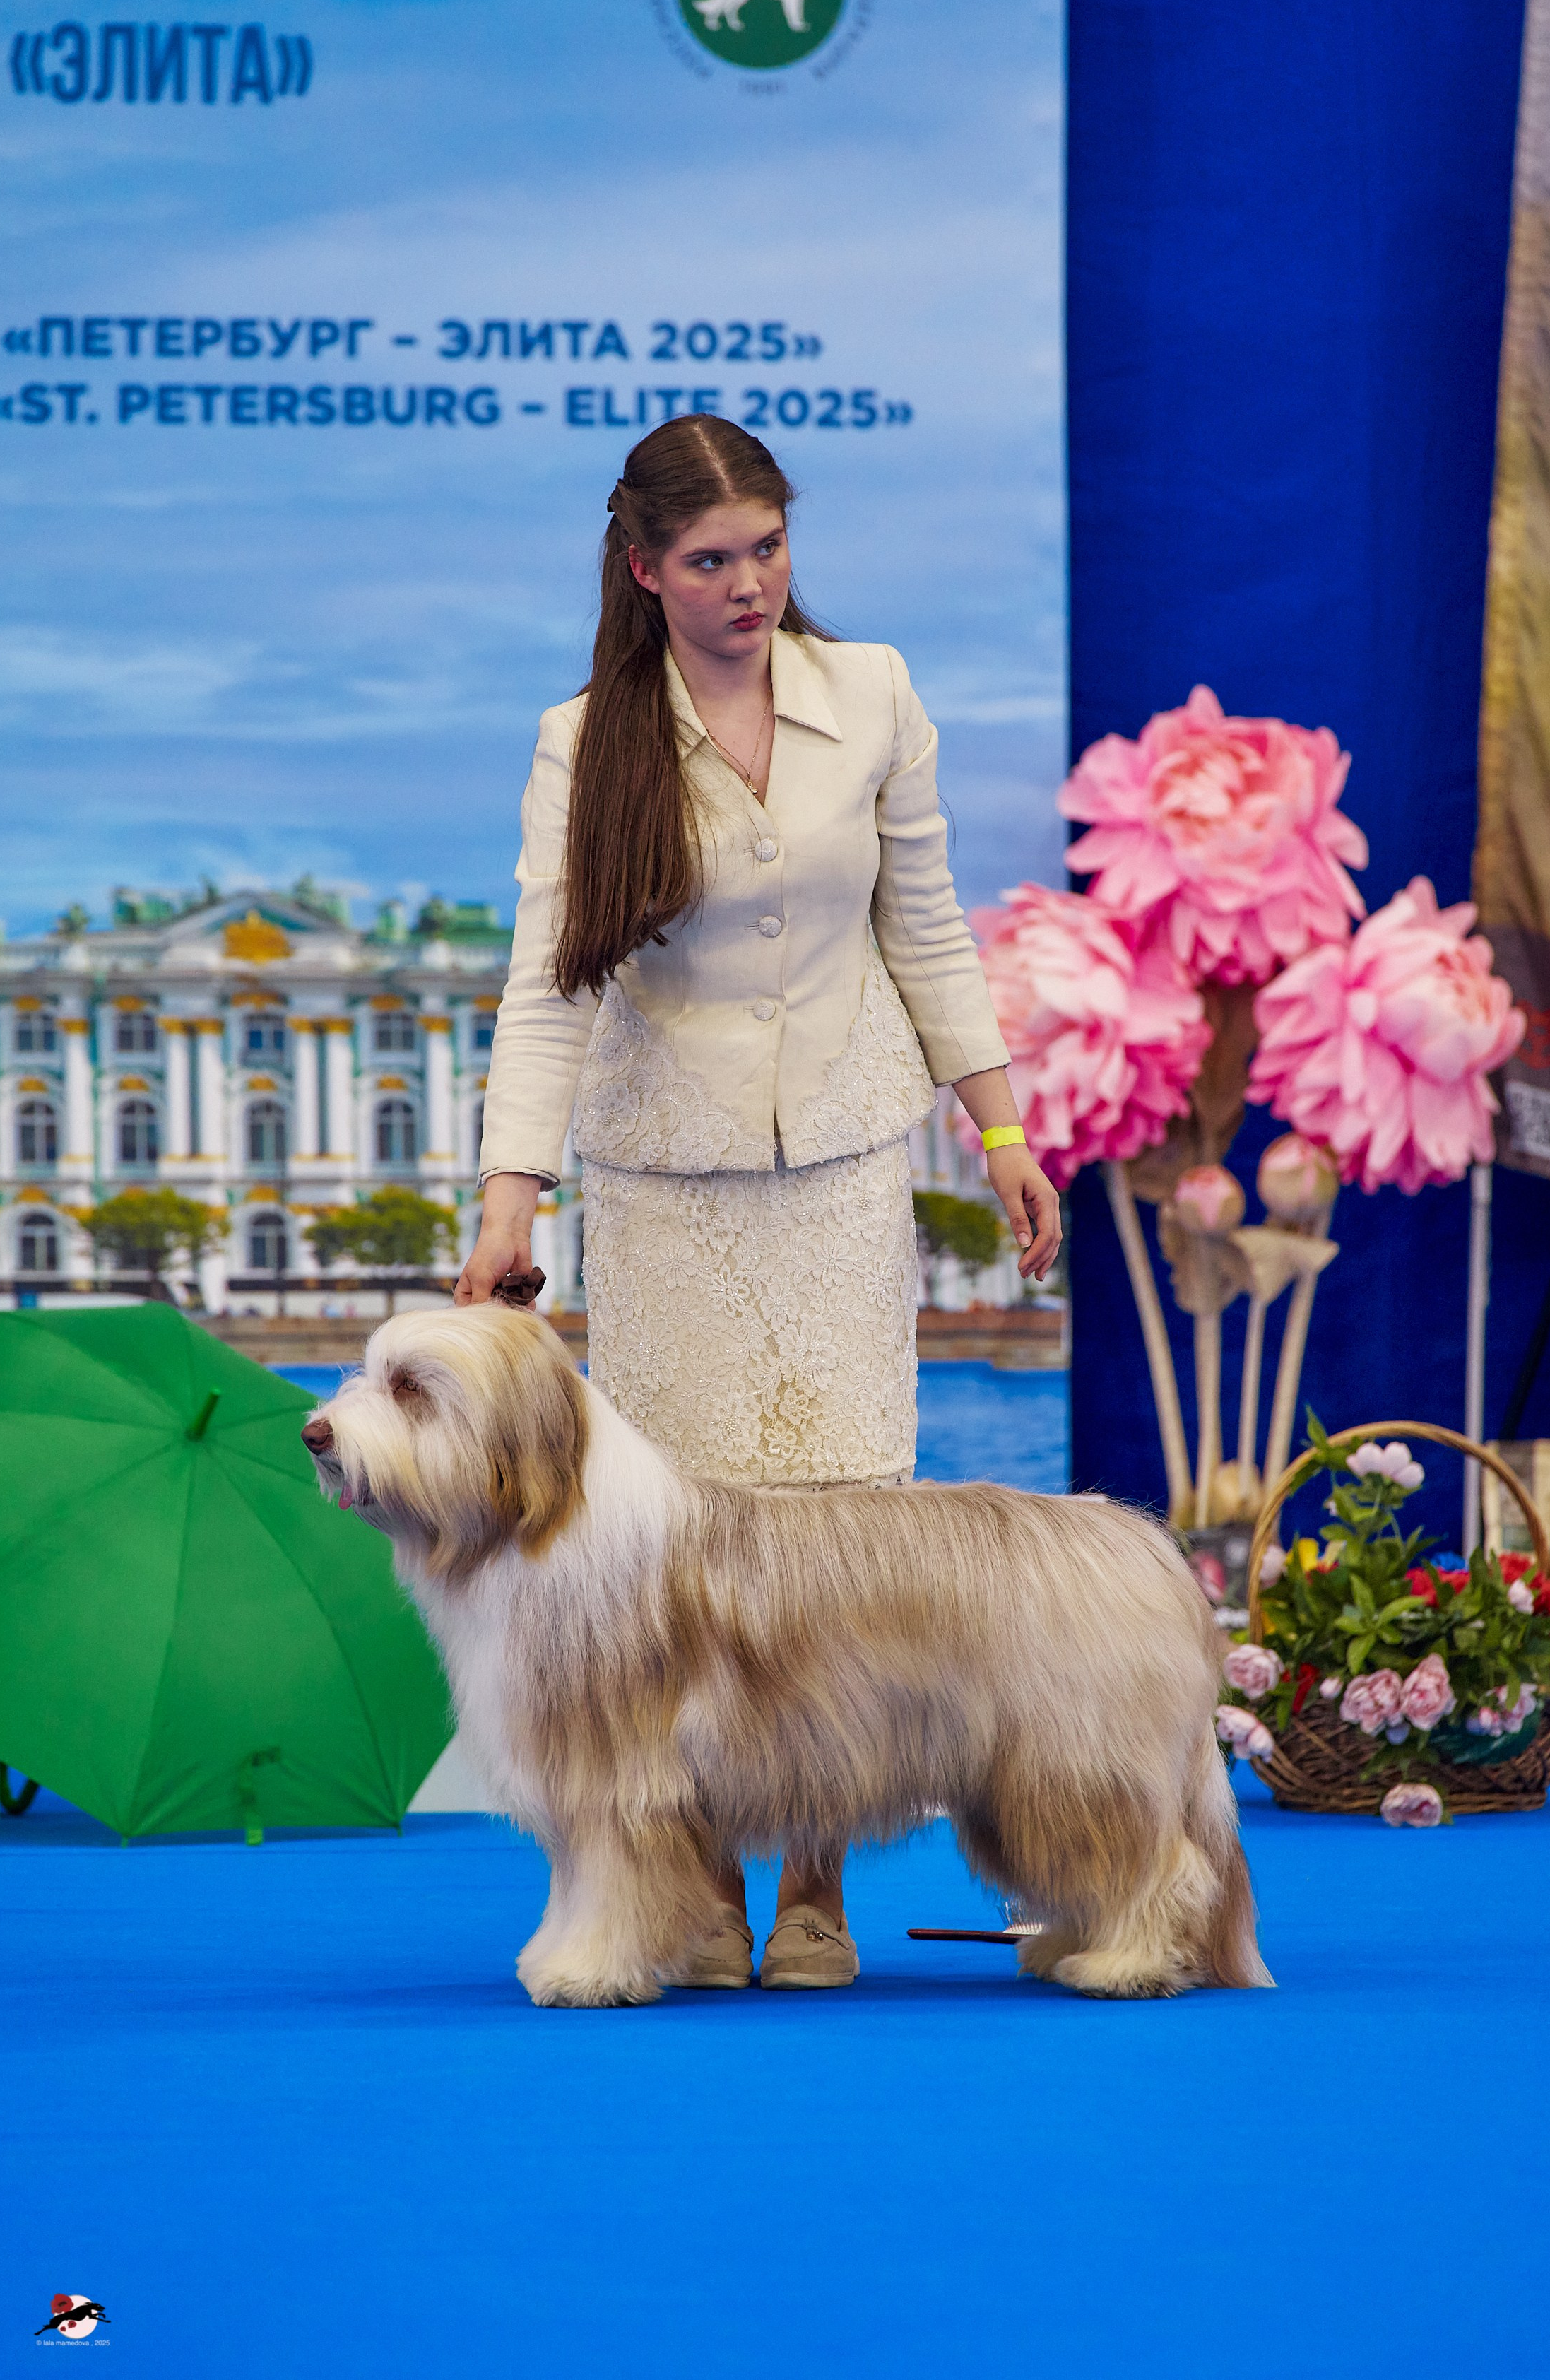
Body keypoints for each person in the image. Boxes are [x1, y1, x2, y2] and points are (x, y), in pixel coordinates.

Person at [459, 413, 1060, 1989]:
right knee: (690, 1562)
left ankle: (816, 1890)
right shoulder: (585, 739)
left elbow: (926, 927)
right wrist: (505, 1202)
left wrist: (1000, 1135)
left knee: (841, 1551)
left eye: (769, 549)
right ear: (646, 568)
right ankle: (705, 1894)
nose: (748, 583)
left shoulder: (874, 694)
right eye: (712, 560)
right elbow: (547, 989)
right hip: (666, 1191)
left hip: (849, 1172)